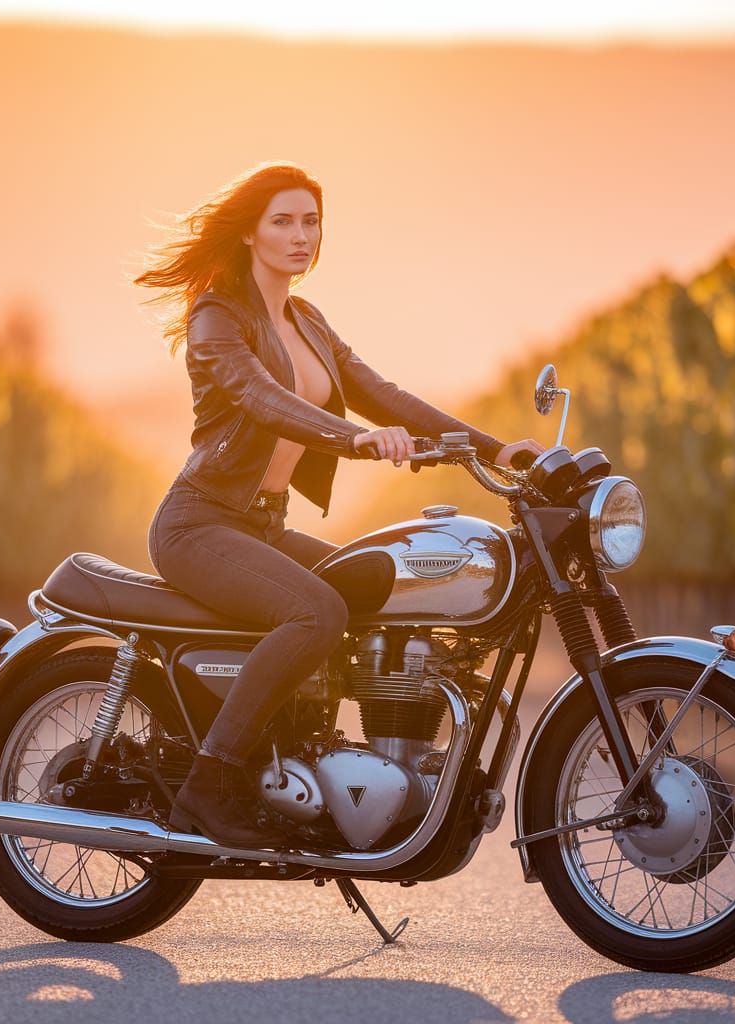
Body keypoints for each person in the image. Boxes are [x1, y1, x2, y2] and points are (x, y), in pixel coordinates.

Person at [135, 162, 543, 849]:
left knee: (374, 590)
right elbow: (262, 397)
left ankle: (310, 765)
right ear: (249, 233)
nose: (301, 236)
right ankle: (211, 779)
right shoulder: (216, 317)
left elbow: (383, 393)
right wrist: (352, 439)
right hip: (198, 524)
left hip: (263, 527)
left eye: (311, 221)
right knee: (316, 611)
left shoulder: (308, 321)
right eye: (283, 221)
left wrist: (496, 451)